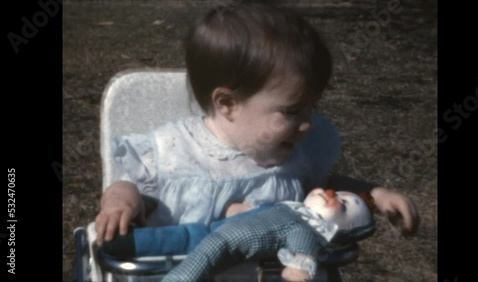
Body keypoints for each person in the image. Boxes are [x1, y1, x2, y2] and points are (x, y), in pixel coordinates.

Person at [94, 2, 419, 253]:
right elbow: (130, 183)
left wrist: (374, 196)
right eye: (292, 111)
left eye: (312, 107)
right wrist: (120, 202)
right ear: (227, 104)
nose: (307, 123)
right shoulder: (171, 150)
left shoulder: (298, 152)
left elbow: (328, 189)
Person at [101, 188, 376, 282]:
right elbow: (256, 211)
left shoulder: (304, 228)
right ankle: (128, 242)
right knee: (179, 236)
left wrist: (299, 267)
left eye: (345, 203)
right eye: (337, 192)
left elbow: (301, 250)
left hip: (226, 244)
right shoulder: (292, 206)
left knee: (198, 254)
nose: (331, 194)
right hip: (212, 228)